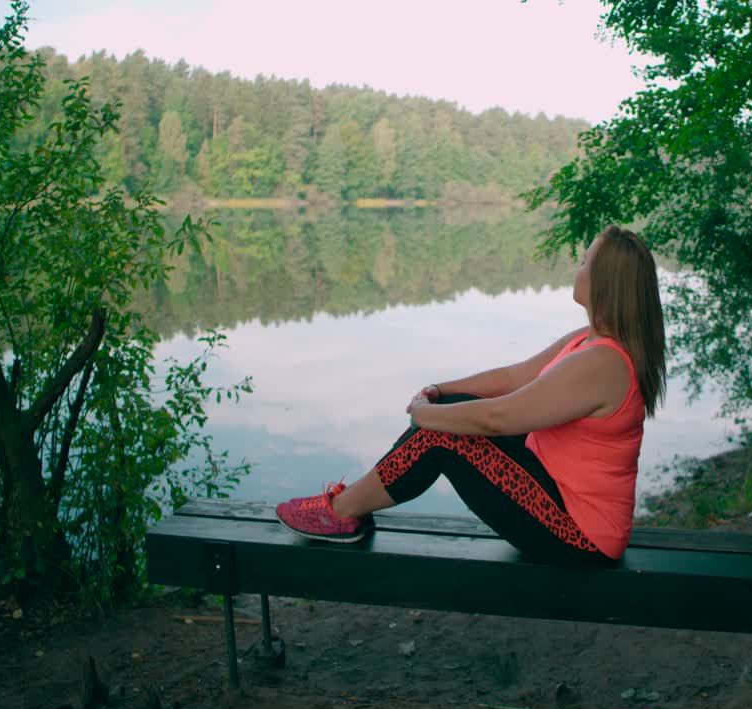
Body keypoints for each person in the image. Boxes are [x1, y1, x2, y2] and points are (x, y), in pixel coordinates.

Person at [275, 225, 666, 565]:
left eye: (584, 262)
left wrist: (424, 416)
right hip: (558, 497)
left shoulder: (602, 363)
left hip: (580, 536)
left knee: (443, 434)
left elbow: (498, 418)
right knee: (451, 413)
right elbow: (515, 377)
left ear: (604, 282)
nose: (577, 268)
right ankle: (347, 510)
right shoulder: (587, 341)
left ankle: (342, 512)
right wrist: (442, 391)